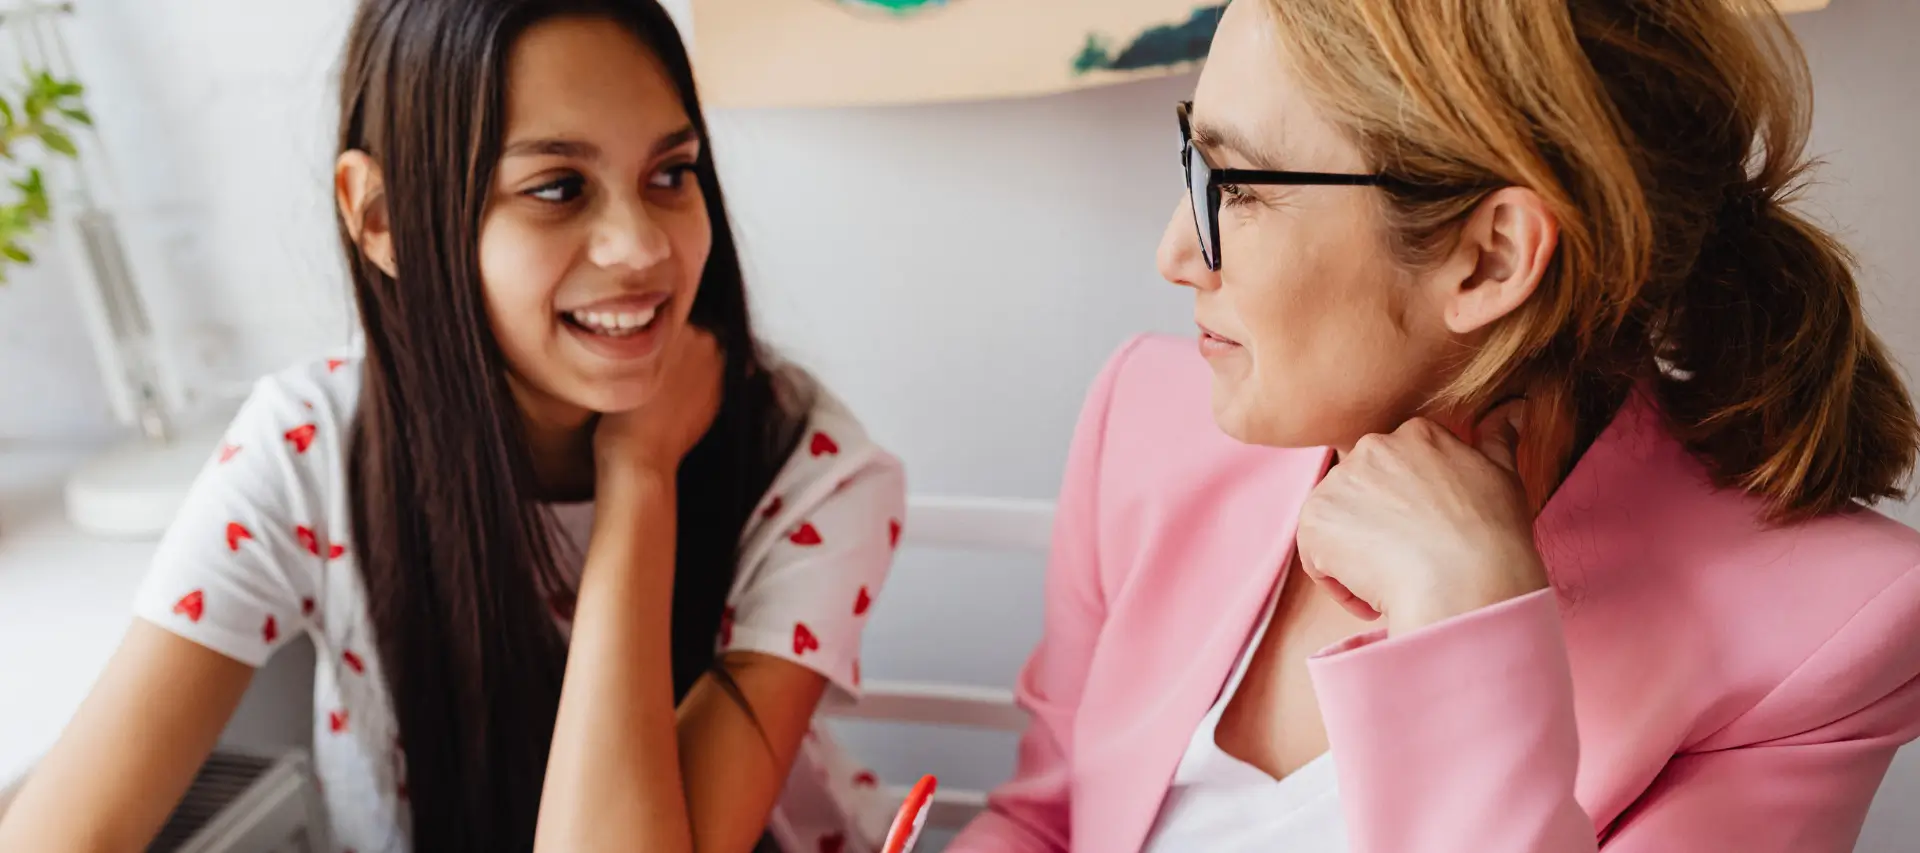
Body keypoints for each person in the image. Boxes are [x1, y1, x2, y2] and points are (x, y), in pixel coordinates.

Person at [950, 0, 1920, 851]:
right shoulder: (1148, 418)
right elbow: (1049, 822)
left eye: (1236, 186)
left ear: (1491, 259)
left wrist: (1474, 619)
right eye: (1191, 160)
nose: (1174, 252)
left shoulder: (1830, 630)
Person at [0, 2, 904, 852]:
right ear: (382, 216)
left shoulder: (812, 472)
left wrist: (640, 478)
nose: (643, 247)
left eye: (670, 173)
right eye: (557, 187)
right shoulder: (310, 451)